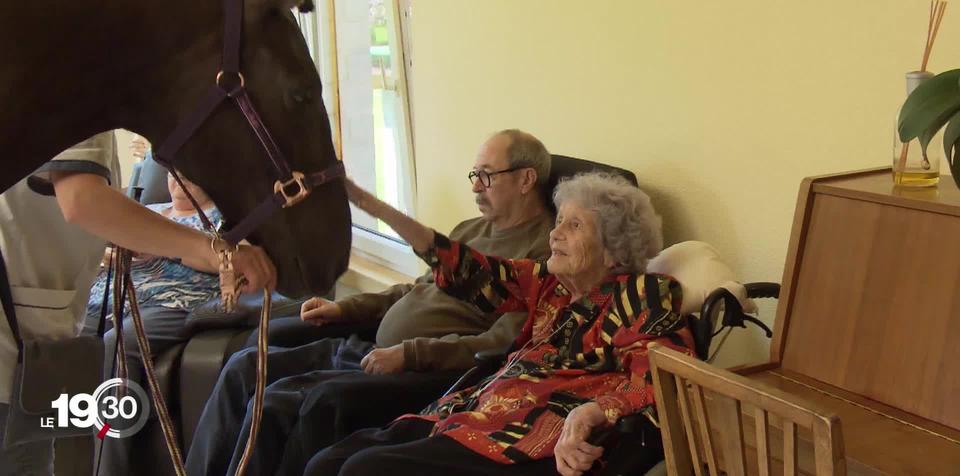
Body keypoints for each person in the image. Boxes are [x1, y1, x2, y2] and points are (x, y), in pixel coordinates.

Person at [186, 129, 555, 476]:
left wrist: (408, 354)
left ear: (526, 180)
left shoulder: (541, 257)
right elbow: (413, 290)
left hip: (412, 369)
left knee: (272, 404)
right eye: (474, 174)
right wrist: (348, 308)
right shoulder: (470, 230)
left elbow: (500, 346)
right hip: (369, 345)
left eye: (487, 175)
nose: (476, 186)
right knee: (244, 365)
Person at [303, 171, 696, 476]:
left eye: (575, 226)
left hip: (525, 439)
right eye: (559, 221)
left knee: (364, 470)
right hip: (470, 415)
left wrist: (593, 412)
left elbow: (662, 380)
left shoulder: (643, 296)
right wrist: (373, 205)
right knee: (327, 462)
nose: (555, 234)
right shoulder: (551, 285)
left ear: (614, 252)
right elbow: (468, 270)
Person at [0, 132, 276, 476]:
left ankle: (106, 461)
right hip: (56, 309)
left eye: (188, 171)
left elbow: (82, 201)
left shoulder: (222, 223)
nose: (178, 178)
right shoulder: (148, 211)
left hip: (166, 301)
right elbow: (84, 203)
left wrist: (203, 249)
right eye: (173, 172)